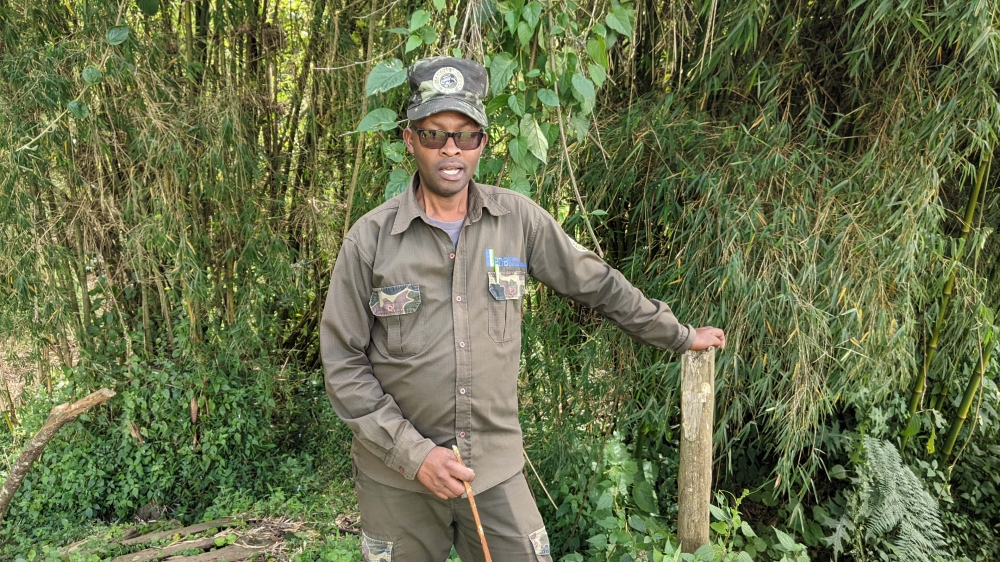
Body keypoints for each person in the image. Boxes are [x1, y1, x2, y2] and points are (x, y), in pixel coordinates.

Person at [320, 56, 726, 562]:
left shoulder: (517, 221)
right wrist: (415, 455)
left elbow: (596, 283)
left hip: (492, 468)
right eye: (434, 134)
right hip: (396, 479)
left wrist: (679, 334)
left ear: (483, 144)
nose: (451, 149)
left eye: (466, 135)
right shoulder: (370, 240)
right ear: (410, 139)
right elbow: (343, 364)